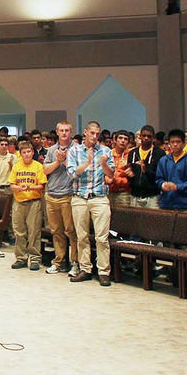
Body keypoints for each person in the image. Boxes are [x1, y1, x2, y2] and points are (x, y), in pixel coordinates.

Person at [67, 121, 115, 284]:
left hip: (99, 198)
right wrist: (87, 163)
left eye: (97, 134)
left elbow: (111, 174)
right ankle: (85, 269)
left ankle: (103, 271)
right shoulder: (74, 151)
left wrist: (103, 164)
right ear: (85, 132)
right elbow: (72, 173)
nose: (95, 137)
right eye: (92, 133)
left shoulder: (106, 151)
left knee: (102, 238)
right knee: (82, 237)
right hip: (80, 197)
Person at [42, 121, 78, 275]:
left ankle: (75, 262)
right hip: (51, 195)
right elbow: (45, 169)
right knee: (56, 231)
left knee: (71, 232)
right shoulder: (51, 150)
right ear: (57, 132)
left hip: (68, 195)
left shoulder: (77, 149)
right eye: (61, 130)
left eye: (67, 131)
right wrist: (58, 161)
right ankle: (59, 261)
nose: (64, 133)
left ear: (71, 132)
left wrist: (65, 160)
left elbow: (77, 171)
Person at [8, 141, 46, 271]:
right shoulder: (17, 167)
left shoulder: (38, 167)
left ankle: (35, 258)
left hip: (34, 202)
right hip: (19, 202)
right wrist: (18, 188)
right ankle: (21, 258)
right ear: (20, 154)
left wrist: (30, 187)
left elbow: (42, 185)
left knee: (34, 231)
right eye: (24, 152)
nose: (27, 154)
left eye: (29, 152)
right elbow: (11, 184)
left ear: (33, 152)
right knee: (19, 231)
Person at [156, 129, 187, 211]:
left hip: (185, 205)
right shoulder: (163, 160)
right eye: (172, 142)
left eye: (178, 142)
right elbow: (158, 179)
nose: (175, 144)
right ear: (168, 143)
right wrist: (162, 184)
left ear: (184, 143)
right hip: (166, 204)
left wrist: (177, 187)